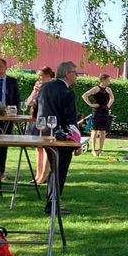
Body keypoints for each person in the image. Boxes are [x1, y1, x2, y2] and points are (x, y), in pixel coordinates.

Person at [37, 61, 80, 215]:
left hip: (44, 134)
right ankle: (52, 205)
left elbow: (36, 109)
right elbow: (70, 121)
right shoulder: (67, 92)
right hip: (61, 137)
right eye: (75, 73)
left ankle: (51, 203)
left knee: (54, 169)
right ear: (67, 74)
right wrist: (76, 143)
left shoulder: (45, 86)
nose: (77, 76)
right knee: (59, 171)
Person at [25, 66, 55, 184]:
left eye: (41, 75)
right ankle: (37, 175)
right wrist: (35, 91)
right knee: (39, 148)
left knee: (46, 148)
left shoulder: (52, 87)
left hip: (48, 121)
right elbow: (29, 102)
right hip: (37, 119)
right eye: (39, 76)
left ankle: (44, 175)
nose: (39, 78)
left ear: (48, 76)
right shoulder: (38, 86)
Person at [82, 73, 115, 156]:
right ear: (103, 80)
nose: (109, 81)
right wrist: (91, 104)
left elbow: (112, 98)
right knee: (95, 130)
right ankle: (93, 150)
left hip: (105, 111)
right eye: (108, 80)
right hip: (97, 111)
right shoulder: (96, 88)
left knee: (103, 131)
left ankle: (100, 150)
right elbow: (84, 95)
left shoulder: (109, 89)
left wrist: (108, 106)